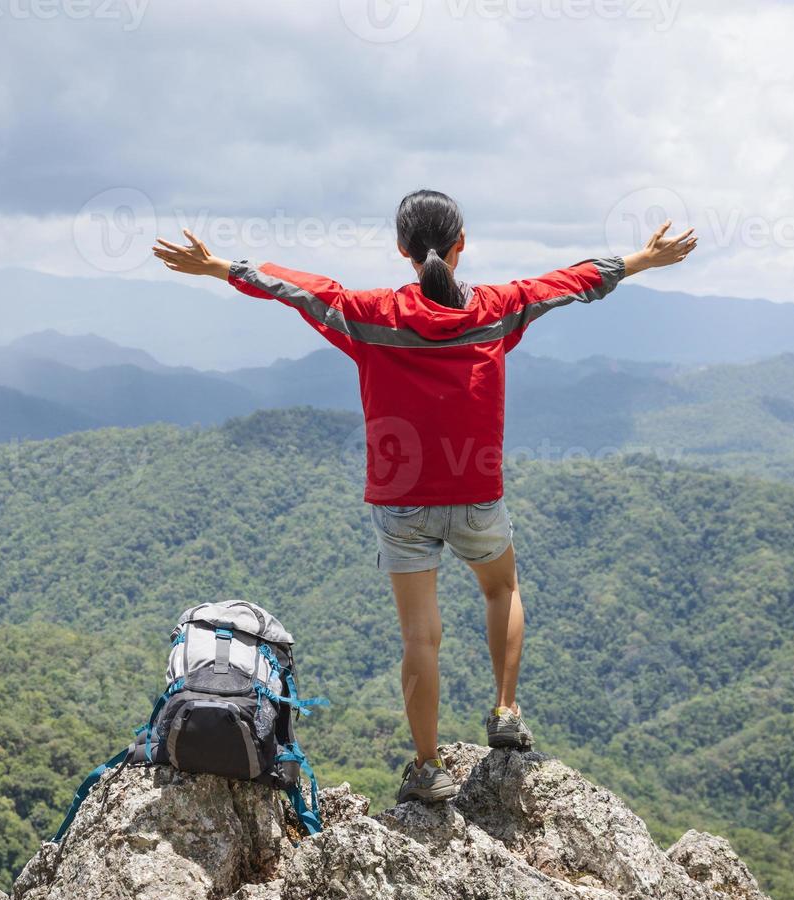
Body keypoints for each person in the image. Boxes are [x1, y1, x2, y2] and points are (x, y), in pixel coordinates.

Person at [152, 189, 697, 804]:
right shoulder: (496, 310)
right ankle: (506, 710)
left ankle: (428, 766)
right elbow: (569, 282)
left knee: (420, 637)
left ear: (401, 250)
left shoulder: (371, 315)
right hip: (477, 492)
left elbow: (298, 287)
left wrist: (220, 265)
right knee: (502, 588)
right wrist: (643, 259)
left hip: (401, 501)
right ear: (461, 246)